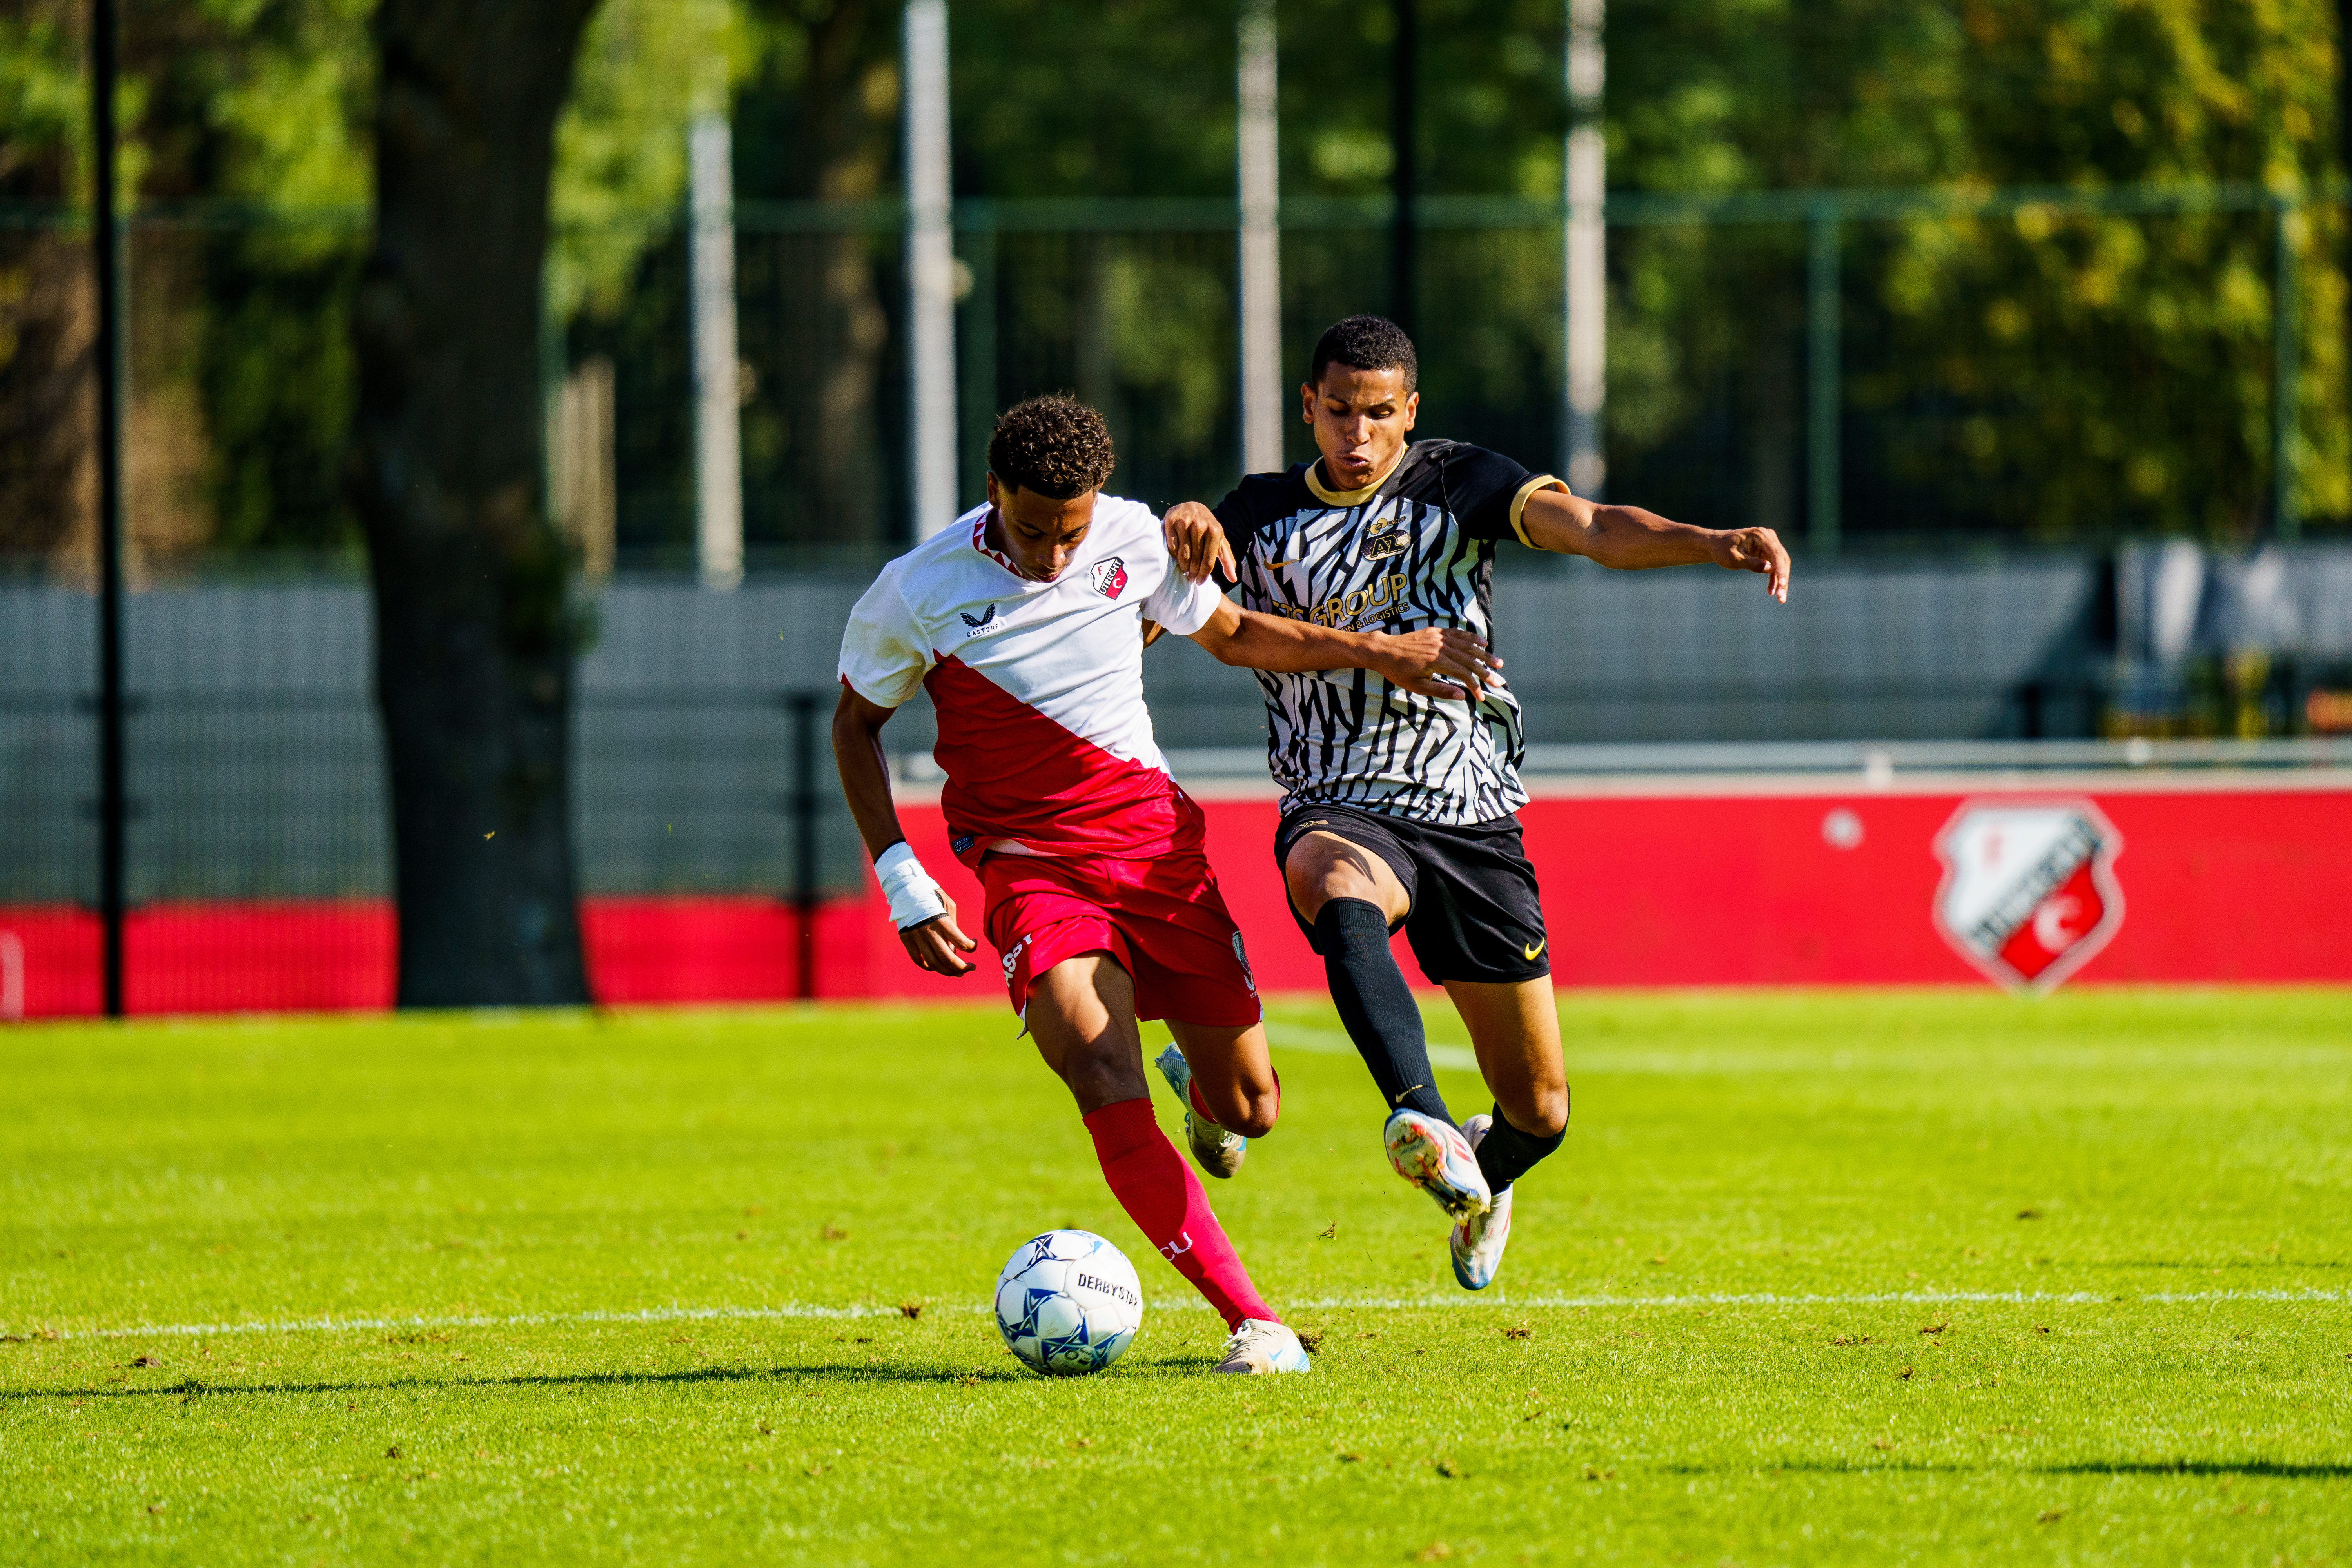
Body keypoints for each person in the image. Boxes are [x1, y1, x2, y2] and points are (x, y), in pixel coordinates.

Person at [831, 393, 1497, 1373]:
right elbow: (855, 725)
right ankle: (1254, 1321)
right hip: (1029, 867)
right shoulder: (916, 588)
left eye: (1072, 531)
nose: (1056, 554)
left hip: (1156, 857)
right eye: (1030, 530)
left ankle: (1203, 1092)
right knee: (1101, 1069)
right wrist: (902, 875)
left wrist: (1380, 651)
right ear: (991, 493)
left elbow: (1232, 634)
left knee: (1252, 1109)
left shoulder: (1138, 539)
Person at [1172, 315, 1791, 1291]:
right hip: (1337, 794)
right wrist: (1181, 529)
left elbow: (1588, 526)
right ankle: (1416, 1110)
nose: (1358, 433)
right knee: (1336, 881)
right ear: (1309, 406)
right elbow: (1226, 628)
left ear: (1410, 412)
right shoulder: (1255, 512)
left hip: (1473, 812)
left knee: (1542, 1110)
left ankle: (1483, 1170)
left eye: (1380, 413)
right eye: (1339, 410)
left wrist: (1709, 542)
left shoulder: (1461, 480)